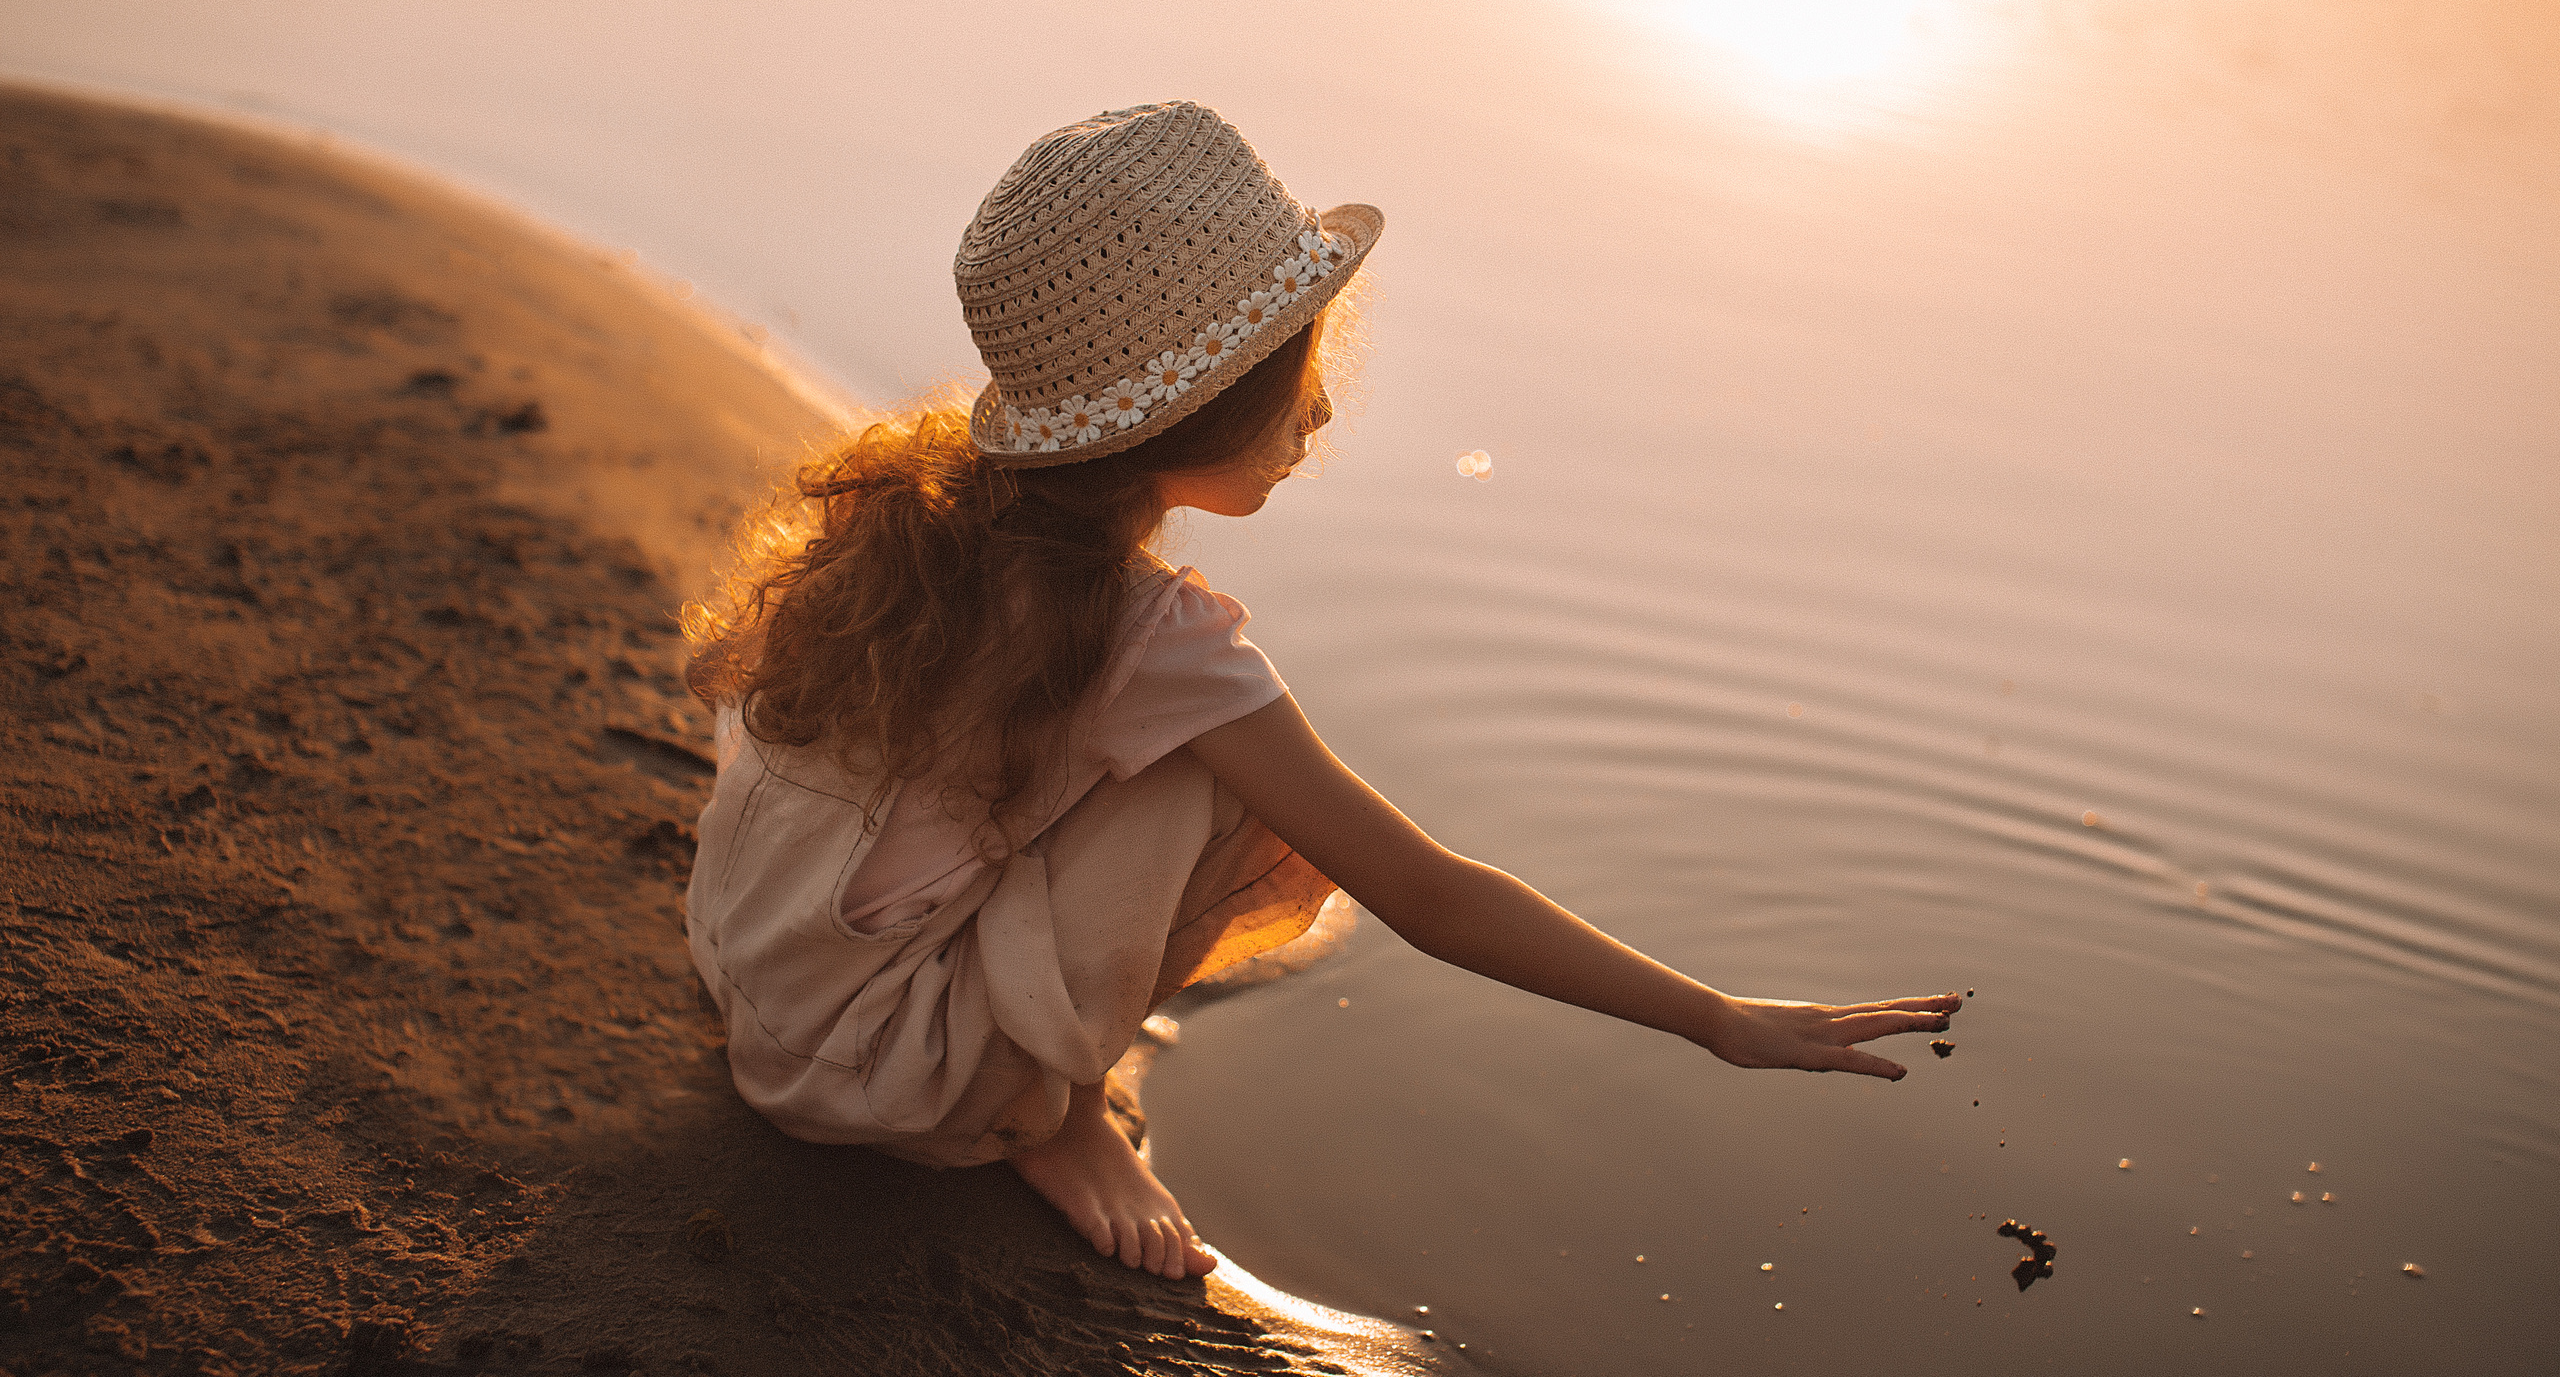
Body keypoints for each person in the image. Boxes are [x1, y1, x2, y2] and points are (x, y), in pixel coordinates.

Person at [682, 102, 1959, 1283]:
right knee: (1225, 773)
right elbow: (1425, 892)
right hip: (875, 1083)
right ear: (1204, 406)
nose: (1323, 406)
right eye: (1296, 374)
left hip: (764, 983)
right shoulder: (1155, 640)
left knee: (1121, 744)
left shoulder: (925, 522)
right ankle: (1051, 1116)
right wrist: (1714, 1018)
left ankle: (995, 1049)